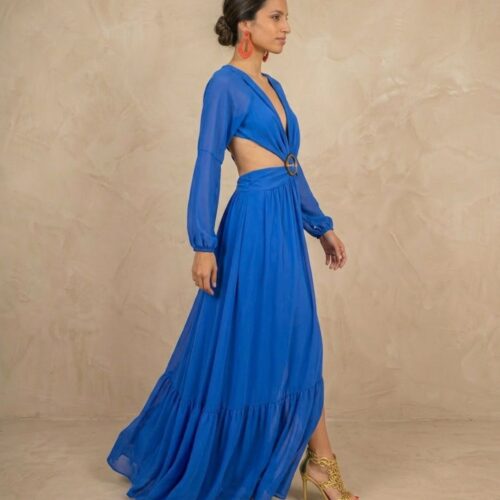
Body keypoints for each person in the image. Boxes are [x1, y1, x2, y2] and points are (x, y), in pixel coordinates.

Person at [106, 0, 359, 499]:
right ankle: (316, 464)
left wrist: (320, 225)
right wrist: (203, 242)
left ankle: (319, 462)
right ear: (246, 25)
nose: (287, 27)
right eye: (276, 17)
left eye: (286, 17)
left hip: (285, 222)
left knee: (299, 336)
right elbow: (207, 161)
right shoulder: (223, 85)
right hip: (253, 224)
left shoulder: (274, 86)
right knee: (257, 339)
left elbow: (290, 164)